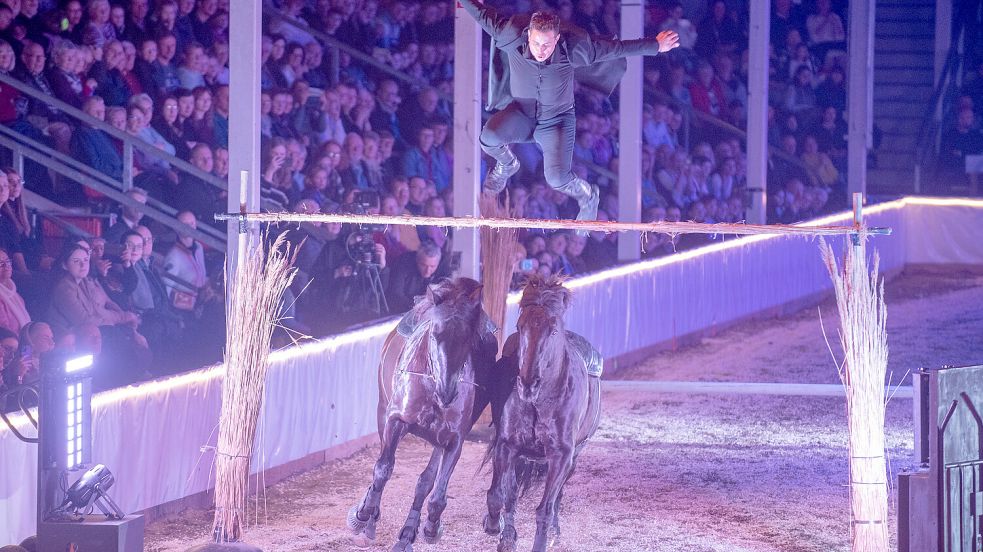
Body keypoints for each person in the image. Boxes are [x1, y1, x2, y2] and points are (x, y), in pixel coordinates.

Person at [456, 4, 678, 229]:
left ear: (557, 39)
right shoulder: (510, 33)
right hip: (521, 114)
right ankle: (507, 165)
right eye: (536, 43)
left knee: (557, 179)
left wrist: (656, 45)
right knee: (488, 137)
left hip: (557, 122)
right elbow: (482, 15)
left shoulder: (576, 48)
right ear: (528, 35)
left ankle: (588, 194)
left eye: (546, 45)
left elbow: (616, 48)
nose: (540, 50)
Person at [385, 241, 446, 313]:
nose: (427, 271)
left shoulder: (444, 269)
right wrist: (419, 307)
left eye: (432, 266)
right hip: (400, 312)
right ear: (417, 260)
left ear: (438, 264)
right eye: (423, 265)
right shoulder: (402, 264)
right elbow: (395, 295)